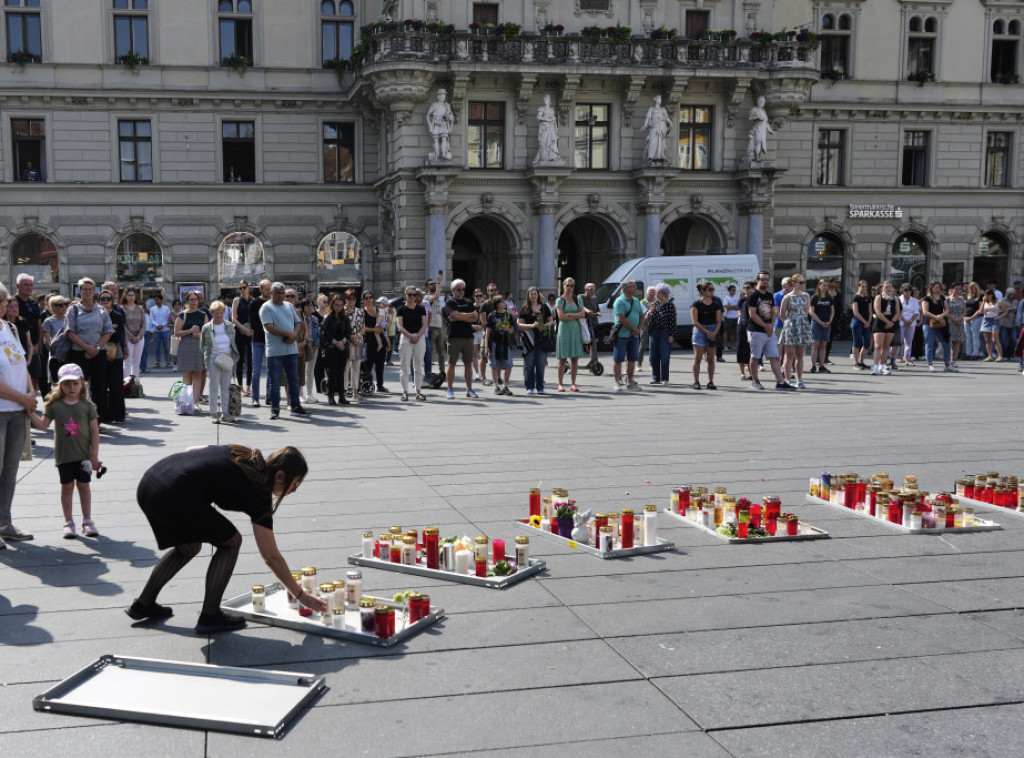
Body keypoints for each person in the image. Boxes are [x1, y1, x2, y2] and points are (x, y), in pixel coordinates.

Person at [128, 444, 328, 633]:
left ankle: (143, 604)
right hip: (172, 493)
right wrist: (301, 595)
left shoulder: (242, 453)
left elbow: (192, 450)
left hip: (150, 482)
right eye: (295, 483)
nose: (295, 489)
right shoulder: (258, 495)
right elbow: (271, 556)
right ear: (281, 475)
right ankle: (210, 615)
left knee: (189, 547)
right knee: (231, 542)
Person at [28, 363, 101, 538]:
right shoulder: (54, 405)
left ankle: (87, 520)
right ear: (60, 384)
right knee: (67, 487)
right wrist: (29, 412)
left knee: (84, 486)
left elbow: (94, 431)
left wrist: (94, 456)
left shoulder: (87, 406)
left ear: (82, 383)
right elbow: (43, 425)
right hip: (64, 456)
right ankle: (68, 522)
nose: (71, 387)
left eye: (75, 383)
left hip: (83, 456)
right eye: (66, 383)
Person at [0, 282, 36, 547]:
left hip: (16, 411)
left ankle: (4, 523)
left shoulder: (10, 328)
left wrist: (31, 395)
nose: (1, 306)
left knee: (10, 471)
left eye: (2, 301)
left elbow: (22, 366)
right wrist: (23, 398)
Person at [66, 278, 115, 422]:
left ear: (94, 291)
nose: (87, 292)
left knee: (99, 388)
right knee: (78, 388)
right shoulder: (73, 309)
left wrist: (97, 347)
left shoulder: (101, 310)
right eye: (84, 289)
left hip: (99, 353)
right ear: (79, 291)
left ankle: (96, 421)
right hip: (78, 353)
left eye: (90, 289)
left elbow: (108, 331)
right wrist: (87, 347)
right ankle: (79, 420)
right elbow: (70, 332)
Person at [261, 282, 310, 419]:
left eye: (283, 293)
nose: (282, 296)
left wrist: (294, 335)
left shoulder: (289, 306)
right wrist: (289, 334)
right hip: (275, 352)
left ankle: (295, 406)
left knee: (293, 379)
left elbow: (299, 323)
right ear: (271, 293)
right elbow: (269, 327)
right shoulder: (266, 307)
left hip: (291, 350)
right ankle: (275, 408)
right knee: (275, 382)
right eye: (278, 293)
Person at [747, 272, 796, 390]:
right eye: (763, 279)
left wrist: (771, 325)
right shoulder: (753, 295)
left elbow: (774, 311)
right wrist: (765, 325)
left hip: (769, 330)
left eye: (767, 279)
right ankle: (755, 381)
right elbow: (752, 314)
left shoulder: (769, 295)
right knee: (755, 357)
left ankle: (780, 382)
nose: (765, 281)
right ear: (757, 280)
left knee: (774, 356)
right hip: (756, 330)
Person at [201, 301, 239, 424]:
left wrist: (233, 360)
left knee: (225, 387)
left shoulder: (229, 326)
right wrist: (208, 358)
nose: (219, 316)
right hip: (213, 357)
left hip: (227, 358)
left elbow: (233, 343)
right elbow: (202, 346)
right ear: (211, 313)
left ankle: (225, 413)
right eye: (216, 313)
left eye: (221, 313)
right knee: (213, 387)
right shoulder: (206, 327)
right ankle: (213, 413)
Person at [443, 279, 479, 399]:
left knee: (468, 364)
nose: (461, 291)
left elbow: (475, 317)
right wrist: (466, 316)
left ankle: (469, 389)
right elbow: (453, 315)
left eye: (463, 289)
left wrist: (460, 316)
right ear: (453, 290)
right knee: (451, 364)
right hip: (454, 337)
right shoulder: (450, 302)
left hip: (468, 336)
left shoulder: (468, 302)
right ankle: (450, 389)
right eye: (459, 289)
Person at [174, 291, 208, 411]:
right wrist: (190, 330)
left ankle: (195, 402)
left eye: (196, 299)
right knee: (187, 375)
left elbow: (207, 332)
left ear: (199, 301)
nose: (194, 301)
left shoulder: (203, 314)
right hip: (186, 346)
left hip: (199, 347)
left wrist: (198, 334)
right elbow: (176, 333)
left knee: (198, 374)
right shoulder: (181, 315)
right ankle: (186, 402)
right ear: (187, 301)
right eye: (191, 299)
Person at [517, 286, 553, 394]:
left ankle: (540, 387)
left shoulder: (544, 307)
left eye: (535, 294)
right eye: (531, 294)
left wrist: (545, 325)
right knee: (529, 364)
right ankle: (529, 387)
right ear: (528, 296)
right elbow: (519, 324)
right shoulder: (525, 308)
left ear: (538, 295)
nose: (533, 296)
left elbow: (551, 321)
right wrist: (532, 325)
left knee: (541, 364)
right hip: (528, 339)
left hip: (542, 338)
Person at [99, 290, 126, 423]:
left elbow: (119, 332)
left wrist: (125, 348)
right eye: (102, 298)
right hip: (99, 351)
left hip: (115, 350)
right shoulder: (96, 314)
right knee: (101, 384)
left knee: (116, 384)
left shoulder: (117, 315)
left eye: (108, 299)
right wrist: (110, 328)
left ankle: (118, 414)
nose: (105, 301)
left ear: (112, 301)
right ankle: (103, 415)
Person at [611, 279, 643, 392]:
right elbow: (621, 318)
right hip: (621, 335)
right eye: (633, 286)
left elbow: (642, 315)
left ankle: (630, 382)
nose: (636, 288)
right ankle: (617, 382)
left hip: (634, 336)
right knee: (618, 359)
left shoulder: (636, 301)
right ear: (626, 288)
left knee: (632, 359)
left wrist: (638, 328)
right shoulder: (619, 301)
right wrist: (634, 328)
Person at [779, 274, 812, 387]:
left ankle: (799, 379)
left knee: (800, 355)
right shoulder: (787, 297)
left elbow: (807, 310)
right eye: (800, 282)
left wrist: (801, 321)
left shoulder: (806, 295)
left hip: (803, 325)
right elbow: (782, 314)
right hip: (791, 325)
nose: (802, 285)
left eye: (803, 282)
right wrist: (789, 324)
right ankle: (788, 379)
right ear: (793, 283)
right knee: (789, 355)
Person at [555, 277, 587, 392]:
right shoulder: (560, 300)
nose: (569, 288)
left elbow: (583, 314)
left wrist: (569, 314)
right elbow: (561, 317)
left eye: (571, 285)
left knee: (574, 359)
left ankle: (573, 383)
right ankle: (560, 384)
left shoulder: (578, 299)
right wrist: (575, 315)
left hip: (575, 329)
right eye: (567, 285)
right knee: (562, 359)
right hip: (564, 330)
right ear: (563, 286)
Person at [689, 281, 722, 389]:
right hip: (700, 330)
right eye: (710, 289)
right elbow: (695, 322)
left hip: (713, 329)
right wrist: (707, 332)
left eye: (713, 289)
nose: (712, 292)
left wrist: (714, 333)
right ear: (703, 291)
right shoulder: (696, 304)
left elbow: (719, 321)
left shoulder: (716, 305)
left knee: (710, 358)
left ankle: (711, 381)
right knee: (697, 358)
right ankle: (696, 382)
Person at [396, 286, 427, 402]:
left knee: (419, 366)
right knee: (404, 367)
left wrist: (417, 336)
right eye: (410, 295)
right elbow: (400, 326)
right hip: (406, 338)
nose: (412, 297)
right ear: (405, 295)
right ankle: (405, 392)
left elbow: (424, 324)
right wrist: (411, 336)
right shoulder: (400, 309)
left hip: (419, 337)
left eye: (414, 295)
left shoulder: (421, 308)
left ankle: (418, 391)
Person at [15, 274, 42, 397]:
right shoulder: (12, 302)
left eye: (31, 285)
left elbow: (39, 325)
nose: (29, 287)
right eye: (25, 285)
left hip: (34, 348)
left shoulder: (34, 303)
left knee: (34, 378)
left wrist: (38, 345)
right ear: (17, 286)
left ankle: (31, 407)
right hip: (18, 348)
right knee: (19, 380)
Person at [320, 294, 350, 405]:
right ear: (332, 305)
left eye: (340, 305)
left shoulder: (345, 317)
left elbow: (348, 332)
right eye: (336, 305)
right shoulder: (328, 317)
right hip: (332, 348)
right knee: (332, 373)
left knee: (341, 373)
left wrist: (343, 341)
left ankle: (341, 396)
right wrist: (336, 342)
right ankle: (331, 396)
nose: (338, 307)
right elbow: (324, 333)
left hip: (342, 348)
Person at [648, 283, 677, 385]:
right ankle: (656, 378)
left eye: (658, 292)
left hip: (664, 332)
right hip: (653, 332)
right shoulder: (655, 304)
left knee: (664, 356)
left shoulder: (670, 306)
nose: (656, 294)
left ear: (664, 294)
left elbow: (672, 321)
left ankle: (665, 378)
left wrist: (671, 335)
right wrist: (651, 311)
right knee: (653, 356)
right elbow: (649, 319)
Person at [485, 295, 515, 395]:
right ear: (497, 304)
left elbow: (511, 330)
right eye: (502, 302)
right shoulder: (492, 315)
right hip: (494, 343)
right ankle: (497, 386)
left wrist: (507, 328)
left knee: (509, 365)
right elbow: (488, 331)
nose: (504, 303)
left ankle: (505, 386)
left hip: (505, 343)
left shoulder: (508, 315)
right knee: (494, 365)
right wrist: (486, 346)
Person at [870, 281, 901, 375]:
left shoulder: (895, 298)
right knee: (878, 346)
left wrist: (891, 322)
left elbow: (897, 312)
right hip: (880, 321)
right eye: (886, 287)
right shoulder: (878, 297)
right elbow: (877, 311)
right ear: (882, 288)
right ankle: (875, 366)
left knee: (886, 346)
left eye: (890, 287)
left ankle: (881, 365)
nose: (888, 288)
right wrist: (887, 322)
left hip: (891, 321)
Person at [921, 281, 953, 371]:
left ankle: (947, 364)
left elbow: (947, 310)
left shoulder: (942, 298)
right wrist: (936, 317)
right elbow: (925, 312)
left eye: (939, 287)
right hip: (929, 323)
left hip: (941, 323)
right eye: (936, 287)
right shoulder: (926, 298)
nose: (937, 289)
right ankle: (930, 364)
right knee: (930, 344)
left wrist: (941, 316)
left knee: (946, 343)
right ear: (931, 288)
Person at [231, 281, 255, 396]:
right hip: (239, 332)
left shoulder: (253, 301)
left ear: (248, 288)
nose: (242, 290)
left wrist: (251, 330)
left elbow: (256, 317)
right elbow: (233, 318)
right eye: (240, 288)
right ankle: (240, 387)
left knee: (250, 360)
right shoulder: (236, 300)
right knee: (239, 359)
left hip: (251, 332)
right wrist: (243, 329)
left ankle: (249, 386)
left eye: (244, 287)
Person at [361, 292, 388, 394]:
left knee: (380, 364)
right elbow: (362, 328)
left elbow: (386, 322)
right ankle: (366, 384)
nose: (368, 299)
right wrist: (374, 330)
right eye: (366, 298)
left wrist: (383, 328)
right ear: (363, 300)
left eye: (370, 297)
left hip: (380, 339)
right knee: (368, 364)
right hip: (368, 340)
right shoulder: (362, 312)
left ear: (373, 298)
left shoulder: (379, 311)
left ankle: (380, 385)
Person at [249, 280, 270, 406]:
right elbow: (254, 323)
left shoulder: (274, 303)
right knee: (256, 370)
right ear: (261, 290)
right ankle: (255, 397)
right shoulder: (255, 303)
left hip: (271, 340)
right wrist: (266, 334)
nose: (269, 291)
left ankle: (269, 396)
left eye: (270, 289)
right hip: (257, 340)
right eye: (267, 289)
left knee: (270, 369)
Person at [342, 289, 364, 402]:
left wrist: (357, 335)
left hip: (358, 341)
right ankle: (344, 391)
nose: (351, 301)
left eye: (353, 299)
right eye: (349, 298)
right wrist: (351, 337)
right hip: (347, 341)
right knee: (346, 367)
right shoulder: (342, 310)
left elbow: (363, 327)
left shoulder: (360, 311)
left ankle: (356, 391)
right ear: (345, 299)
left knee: (356, 367)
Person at [808, 279, 834, 374]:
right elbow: (811, 312)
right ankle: (813, 365)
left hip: (827, 323)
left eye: (826, 285)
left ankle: (822, 366)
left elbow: (832, 310)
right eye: (823, 285)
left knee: (824, 345)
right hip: (816, 323)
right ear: (819, 286)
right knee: (815, 345)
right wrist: (820, 322)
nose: (825, 287)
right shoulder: (815, 297)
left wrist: (830, 321)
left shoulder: (829, 298)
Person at [120, 287, 145, 381]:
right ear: (125, 296)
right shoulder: (122, 308)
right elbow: (123, 325)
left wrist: (138, 336)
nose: (131, 297)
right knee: (127, 362)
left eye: (133, 295)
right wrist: (131, 337)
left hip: (140, 338)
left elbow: (144, 323)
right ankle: (126, 384)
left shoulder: (140, 308)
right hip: (128, 339)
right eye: (129, 295)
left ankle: (135, 383)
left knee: (136, 362)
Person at [42, 295, 68, 383]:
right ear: (52, 307)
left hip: (70, 355)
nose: (63, 307)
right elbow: (46, 341)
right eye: (60, 305)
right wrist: (55, 354)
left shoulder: (70, 319)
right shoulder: (49, 321)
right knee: (57, 383)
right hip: (56, 357)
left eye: (65, 304)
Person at [301, 298, 322, 403]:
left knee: (310, 370)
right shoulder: (300, 318)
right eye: (307, 305)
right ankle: (300, 394)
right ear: (303, 307)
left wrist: (316, 344)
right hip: (303, 345)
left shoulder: (314, 318)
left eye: (311, 305)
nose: (310, 307)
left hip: (313, 345)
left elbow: (318, 333)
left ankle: (309, 394)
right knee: (301, 370)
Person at [641, 95, 672, 163]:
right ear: (656, 100)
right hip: (654, 127)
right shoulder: (651, 109)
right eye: (658, 99)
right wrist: (645, 125)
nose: (660, 100)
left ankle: (661, 156)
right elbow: (648, 118)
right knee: (652, 141)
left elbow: (666, 118)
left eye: (660, 99)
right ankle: (650, 157)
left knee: (662, 142)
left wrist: (670, 123)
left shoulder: (663, 109)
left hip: (662, 126)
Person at [850, 280, 873, 370]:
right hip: (857, 322)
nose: (864, 288)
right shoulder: (856, 298)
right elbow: (855, 312)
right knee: (857, 342)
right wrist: (864, 321)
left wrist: (869, 322)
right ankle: (856, 362)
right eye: (862, 286)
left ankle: (861, 361)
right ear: (858, 287)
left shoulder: (868, 298)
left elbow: (870, 312)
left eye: (865, 287)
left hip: (867, 322)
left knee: (867, 343)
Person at [426, 88, 454, 160]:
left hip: (444, 124)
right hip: (436, 124)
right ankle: (436, 155)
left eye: (444, 95)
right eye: (441, 95)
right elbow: (428, 116)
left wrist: (449, 118)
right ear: (438, 96)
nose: (443, 97)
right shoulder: (434, 105)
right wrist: (430, 126)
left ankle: (444, 153)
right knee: (436, 139)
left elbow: (451, 116)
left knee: (444, 138)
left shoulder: (447, 105)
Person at [425, 275, 446, 372]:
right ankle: (428, 372)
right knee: (429, 351)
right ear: (426, 287)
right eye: (431, 284)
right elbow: (437, 295)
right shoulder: (427, 297)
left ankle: (442, 371)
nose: (433, 285)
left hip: (439, 326)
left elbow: (438, 311)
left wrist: (444, 320)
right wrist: (438, 283)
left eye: (434, 283)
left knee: (441, 352)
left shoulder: (436, 298)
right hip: (432, 327)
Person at [979, 290, 1006, 362]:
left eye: (987, 295)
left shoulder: (999, 302)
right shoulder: (984, 303)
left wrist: (999, 317)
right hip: (986, 320)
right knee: (987, 339)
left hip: (995, 320)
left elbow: (1005, 312)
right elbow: (981, 312)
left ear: (991, 295)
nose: (986, 297)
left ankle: (1000, 356)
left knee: (995, 339)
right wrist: (983, 302)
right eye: (985, 295)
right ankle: (990, 355)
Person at [736, 281, 755, 381]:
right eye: (744, 288)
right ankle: (742, 372)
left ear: (753, 288)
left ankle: (751, 372)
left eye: (748, 287)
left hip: (753, 327)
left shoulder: (756, 299)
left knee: (751, 350)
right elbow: (739, 313)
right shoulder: (742, 300)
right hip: (743, 327)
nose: (746, 289)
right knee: (741, 349)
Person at [898, 284, 921, 365]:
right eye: (906, 290)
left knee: (909, 342)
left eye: (909, 290)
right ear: (902, 291)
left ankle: (907, 358)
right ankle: (894, 358)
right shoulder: (898, 299)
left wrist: (910, 321)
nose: (908, 292)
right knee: (897, 341)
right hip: (901, 321)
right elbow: (898, 312)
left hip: (911, 323)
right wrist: (904, 320)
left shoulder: (914, 300)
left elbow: (916, 312)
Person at [946, 283, 967, 370]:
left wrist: (960, 318)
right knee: (949, 341)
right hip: (950, 321)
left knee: (957, 341)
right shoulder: (947, 299)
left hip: (959, 321)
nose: (958, 291)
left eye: (960, 289)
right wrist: (953, 319)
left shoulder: (962, 300)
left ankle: (953, 360)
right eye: (956, 289)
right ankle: (947, 359)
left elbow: (965, 311)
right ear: (952, 289)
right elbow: (946, 311)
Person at [580, 282, 601, 367]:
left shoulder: (595, 298)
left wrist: (598, 313)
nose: (593, 291)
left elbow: (597, 309)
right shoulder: (581, 297)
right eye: (591, 289)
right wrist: (587, 310)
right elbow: (581, 306)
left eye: (594, 289)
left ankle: (593, 360)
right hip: (584, 322)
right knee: (585, 340)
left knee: (594, 342)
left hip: (594, 322)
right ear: (586, 290)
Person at [746, 95, 773, 160]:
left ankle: (758, 157)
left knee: (762, 143)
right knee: (758, 142)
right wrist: (757, 118)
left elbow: (766, 122)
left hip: (763, 129)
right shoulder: (754, 109)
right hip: (757, 128)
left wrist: (770, 130)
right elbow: (750, 118)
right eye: (760, 101)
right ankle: (757, 157)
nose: (761, 102)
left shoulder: (764, 112)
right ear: (757, 102)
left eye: (763, 101)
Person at [535, 93, 560, 163]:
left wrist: (553, 120)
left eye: (546, 99)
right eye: (544, 99)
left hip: (551, 127)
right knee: (543, 143)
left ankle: (552, 157)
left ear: (549, 100)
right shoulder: (541, 108)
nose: (545, 101)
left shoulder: (552, 109)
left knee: (552, 142)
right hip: (544, 128)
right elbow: (538, 117)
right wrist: (547, 119)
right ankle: (544, 157)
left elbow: (553, 118)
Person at [148, 293, 170, 369]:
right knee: (156, 347)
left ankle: (167, 362)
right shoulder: (152, 309)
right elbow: (151, 319)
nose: (156, 301)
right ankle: (157, 362)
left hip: (165, 330)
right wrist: (157, 325)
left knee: (166, 347)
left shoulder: (166, 308)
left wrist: (162, 325)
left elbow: (168, 318)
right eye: (155, 300)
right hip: (156, 330)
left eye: (157, 299)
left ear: (161, 300)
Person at [963, 282, 983, 360]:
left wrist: (971, 318)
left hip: (976, 318)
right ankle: (968, 353)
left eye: (973, 288)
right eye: (970, 288)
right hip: (967, 318)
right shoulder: (969, 297)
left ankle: (975, 353)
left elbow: (980, 310)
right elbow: (965, 307)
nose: (971, 290)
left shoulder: (980, 297)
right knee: (968, 337)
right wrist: (964, 316)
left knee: (975, 336)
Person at [722, 284, 740, 352]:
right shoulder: (726, 298)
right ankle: (725, 346)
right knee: (726, 332)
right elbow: (727, 306)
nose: (734, 291)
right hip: (728, 317)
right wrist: (734, 307)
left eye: (734, 290)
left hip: (736, 317)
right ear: (729, 291)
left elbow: (738, 307)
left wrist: (732, 306)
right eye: (732, 290)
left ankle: (733, 346)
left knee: (734, 332)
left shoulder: (737, 298)